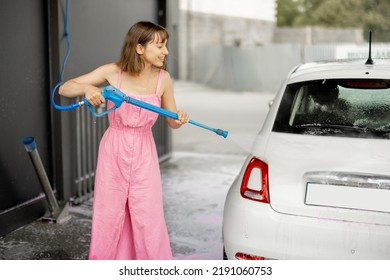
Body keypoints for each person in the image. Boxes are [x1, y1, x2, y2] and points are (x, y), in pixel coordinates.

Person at [59, 21, 189, 260]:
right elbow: (64, 89)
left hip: (144, 151)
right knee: (109, 215)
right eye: (160, 46)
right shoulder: (113, 71)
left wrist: (179, 118)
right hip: (114, 149)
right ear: (139, 48)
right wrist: (87, 89)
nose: (166, 52)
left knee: (148, 216)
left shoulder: (164, 79)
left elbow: (171, 120)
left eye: (166, 46)